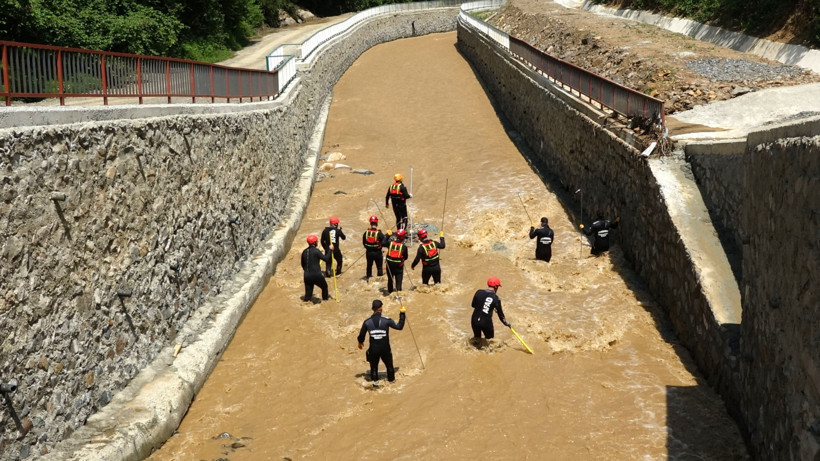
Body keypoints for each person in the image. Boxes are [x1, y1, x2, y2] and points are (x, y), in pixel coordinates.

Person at [357, 299, 406, 382]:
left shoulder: (367, 322)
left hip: (373, 349)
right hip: (385, 349)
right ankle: (391, 383)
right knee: (389, 367)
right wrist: (402, 314)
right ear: (381, 309)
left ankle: (375, 386)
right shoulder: (386, 320)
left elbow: (361, 336)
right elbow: (399, 327)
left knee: (374, 368)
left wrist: (360, 342)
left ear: (373, 309)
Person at [470, 277, 510, 346]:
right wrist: (506, 323)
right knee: (490, 342)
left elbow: (473, 305)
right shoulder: (496, 298)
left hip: (474, 320)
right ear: (496, 287)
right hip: (486, 323)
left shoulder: (478, 292)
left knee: (476, 340)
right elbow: (501, 315)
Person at [301, 234, 331, 302]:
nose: (317, 242)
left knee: (308, 296)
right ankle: (325, 302)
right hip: (316, 274)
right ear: (314, 243)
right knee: (324, 287)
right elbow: (326, 259)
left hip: (307, 275)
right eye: (317, 241)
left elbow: (303, 265)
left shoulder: (304, 252)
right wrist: (330, 250)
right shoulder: (316, 251)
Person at [382, 229, 408, 294]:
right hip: (399, 267)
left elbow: (383, 243)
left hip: (389, 266)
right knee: (398, 282)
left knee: (390, 280)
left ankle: (390, 293)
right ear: (403, 237)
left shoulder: (390, 244)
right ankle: (398, 294)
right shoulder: (404, 247)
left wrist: (388, 235)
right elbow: (406, 257)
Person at [362, 215, 385, 280]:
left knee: (369, 266)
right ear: (377, 223)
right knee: (379, 267)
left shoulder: (366, 233)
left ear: (370, 223)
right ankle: (379, 280)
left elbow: (364, 243)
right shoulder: (379, 233)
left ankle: (368, 279)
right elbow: (384, 242)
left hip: (369, 253)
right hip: (377, 253)